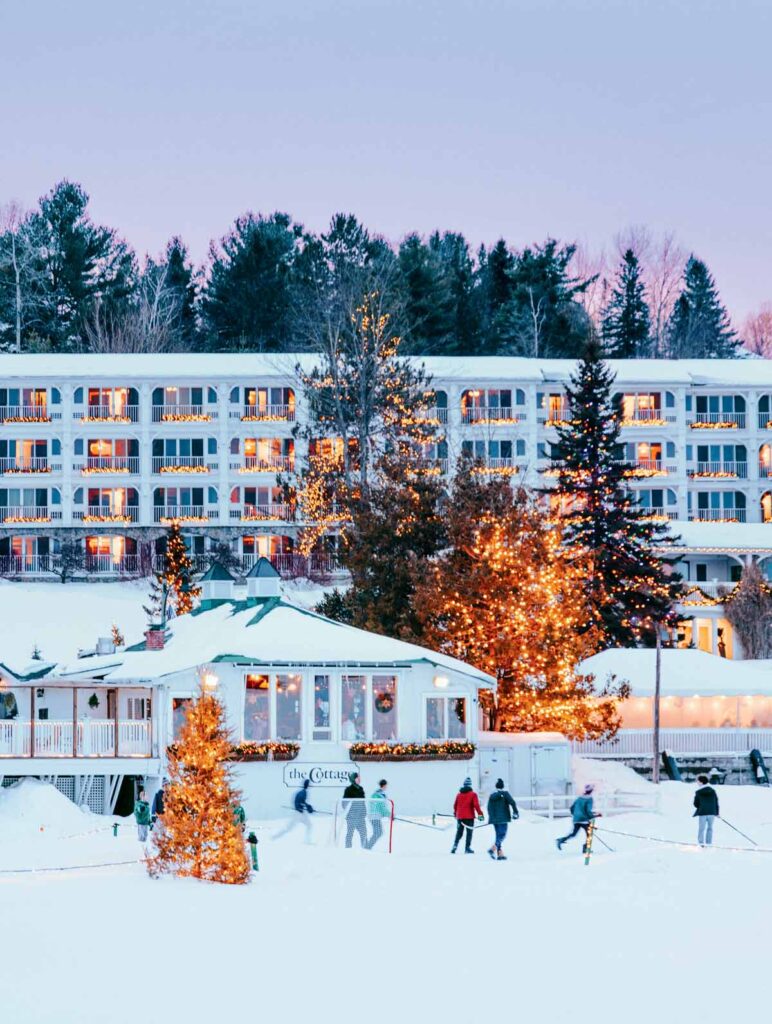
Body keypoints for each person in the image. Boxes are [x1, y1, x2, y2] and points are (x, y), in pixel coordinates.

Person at [556, 784, 600, 852]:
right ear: (591, 791)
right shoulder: (589, 799)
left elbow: (571, 808)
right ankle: (586, 848)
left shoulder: (579, 798)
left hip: (576, 819)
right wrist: (593, 816)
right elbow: (588, 810)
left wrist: (576, 815)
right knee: (589, 834)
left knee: (573, 834)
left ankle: (561, 840)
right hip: (584, 820)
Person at [486, 778, 519, 860]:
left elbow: (488, 807)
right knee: (502, 835)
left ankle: (500, 854)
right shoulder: (505, 794)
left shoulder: (492, 796)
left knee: (498, 836)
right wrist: (515, 812)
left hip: (494, 819)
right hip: (503, 819)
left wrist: (491, 817)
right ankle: (492, 849)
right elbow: (512, 802)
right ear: (503, 786)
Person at [275, 779, 315, 843]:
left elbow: (301, 802)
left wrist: (308, 807)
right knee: (288, 829)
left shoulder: (303, 792)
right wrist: (307, 807)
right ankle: (274, 837)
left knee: (309, 825)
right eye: (309, 784)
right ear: (307, 785)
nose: (309, 786)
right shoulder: (303, 793)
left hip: (301, 813)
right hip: (297, 814)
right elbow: (299, 802)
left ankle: (307, 841)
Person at [451, 777, 484, 854]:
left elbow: (455, 805)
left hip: (460, 817)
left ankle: (455, 846)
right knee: (469, 833)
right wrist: (480, 815)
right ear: (470, 785)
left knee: (459, 832)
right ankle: (467, 848)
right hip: (469, 817)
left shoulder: (459, 795)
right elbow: (476, 805)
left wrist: (455, 814)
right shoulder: (473, 794)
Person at [343, 771, 368, 848]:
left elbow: (362, 802)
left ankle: (365, 849)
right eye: (357, 777)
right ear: (353, 779)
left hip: (360, 817)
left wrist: (364, 812)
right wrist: (351, 813)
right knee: (350, 833)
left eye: (359, 777)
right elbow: (344, 804)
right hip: (351, 817)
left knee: (363, 833)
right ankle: (348, 849)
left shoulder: (361, 789)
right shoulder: (348, 789)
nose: (359, 779)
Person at [693, 774, 720, 846]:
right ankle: (709, 843)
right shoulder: (713, 791)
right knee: (710, 828)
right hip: (712, 812)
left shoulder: (698, 792)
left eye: (698, 781)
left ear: (701, 782)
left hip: (703, 812)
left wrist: (701, 805)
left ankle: (701, 843)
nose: (697, 783)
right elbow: (716, 802)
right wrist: (717, 813)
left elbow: (695, 804)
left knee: (701, 828)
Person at [367, 779, 391, 849]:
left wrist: (387, 814)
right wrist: (389, 815)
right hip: (375, 817)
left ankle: (367, 846)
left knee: (378, 833)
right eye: (386, 785)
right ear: (384, 785)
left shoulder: (375, 794)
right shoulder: (380, 795)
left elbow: (380, 808)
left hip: (374, 816)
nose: (387, 787)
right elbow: (382, 807)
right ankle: (367, 847)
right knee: (378, 833)